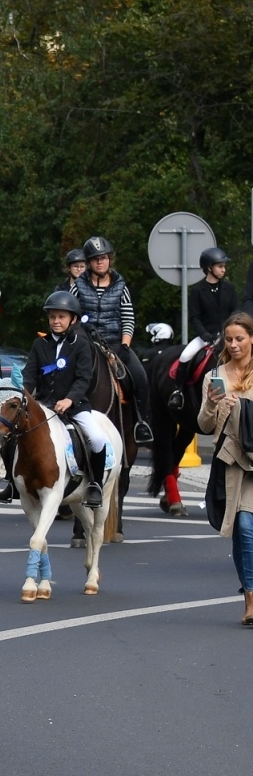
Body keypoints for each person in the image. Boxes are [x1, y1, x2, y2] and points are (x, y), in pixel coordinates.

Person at [24, 291, 108, 508]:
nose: (56, 321)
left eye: (61, 317)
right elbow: (30, 376)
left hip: (75, 406)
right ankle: (11, 481)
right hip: (45, 406)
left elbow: (84, 378)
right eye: (52, 317)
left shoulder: (81, 345)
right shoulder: (39, 345)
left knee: (97, 438)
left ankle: (95, 485)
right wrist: (23, 395)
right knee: (15, 433)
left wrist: (69, 400)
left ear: (73, 320)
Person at [195, 312, 253, 625]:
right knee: (242, 528)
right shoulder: (215, 374)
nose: (233, 345)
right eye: (229, 339)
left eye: (239, 338)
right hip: (231, 463)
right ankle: (250, 599)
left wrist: (244, 409)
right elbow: (204, 425)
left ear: (252, 339)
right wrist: (213, 403)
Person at [69, 235, 154, 444]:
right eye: (96, 258)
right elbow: (69, 316)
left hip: (114, 342)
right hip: (84, 342)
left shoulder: (121, 286)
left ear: (109, 260)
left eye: (104, 257)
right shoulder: (78, 286)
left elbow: (128, 318)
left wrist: (125, 345)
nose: (100, 261)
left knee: (140, 377)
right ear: (89, 262)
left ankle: (142, 423)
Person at [168, 247, 239, 410]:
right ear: (209, 268)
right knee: (185, 355)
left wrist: (230, 332)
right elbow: (195, 317)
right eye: (220, 266)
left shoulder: (229, 288)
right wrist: (205, 334)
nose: (223, 269)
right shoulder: (198, 290)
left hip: (228, 335)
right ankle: (178, 392)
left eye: (224, 266)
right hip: (205, 336)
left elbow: (236, 312)